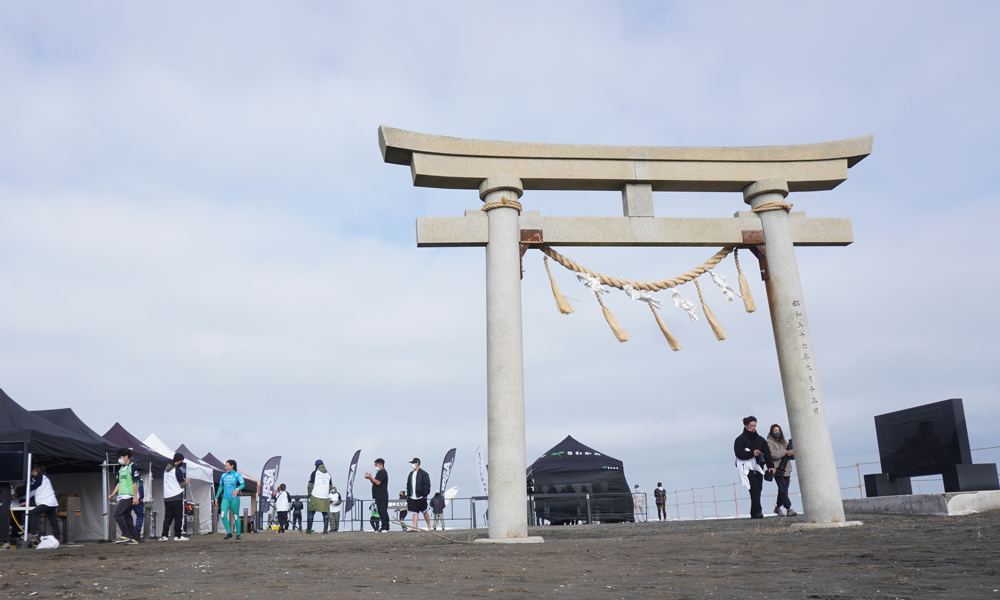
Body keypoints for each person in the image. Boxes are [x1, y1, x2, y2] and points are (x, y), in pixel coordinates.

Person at [734, 415, 774, 519]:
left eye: (754, 425)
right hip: (746, 469)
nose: (753, 427)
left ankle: (754, 512)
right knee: (754, 488)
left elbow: (767, 453)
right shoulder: (739, 440)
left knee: (758, 489)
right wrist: (752, 453)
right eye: (751, 425)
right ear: (745, 425)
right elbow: (739, 454)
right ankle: (757, 511)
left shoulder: (760, 440)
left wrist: (771, 466)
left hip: (759, 467)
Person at [108, 448, 141, 544]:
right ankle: (135, 538)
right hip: (121, 495)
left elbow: (135, 483)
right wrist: (112, 494)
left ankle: (126, 534)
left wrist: (135, 497)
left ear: (126, 457)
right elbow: (118, 483)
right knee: (127, 517)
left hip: (128, 495)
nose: (119, 459)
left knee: (117, 514)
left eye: (120, 457)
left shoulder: (133, 467)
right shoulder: (121, 469)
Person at [23, 465, 59, 542]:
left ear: (35, 471)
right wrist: (27, 501)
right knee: (53, 522)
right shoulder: (44, 477)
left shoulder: (41, 476)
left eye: (32, 473)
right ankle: (57, 539)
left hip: (46, 502)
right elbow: (36, 492)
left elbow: (35, 486)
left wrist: (24, 489)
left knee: (32, 513)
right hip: (51, 502)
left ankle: (33, 533)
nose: (31, 475)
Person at [767, 424, 797, 517]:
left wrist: (790, 453)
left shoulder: (784, 442)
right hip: (777, 469)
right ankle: (789, 508)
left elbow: (793, 453)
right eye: (775, 430)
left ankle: (778, 507)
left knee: (783, 490)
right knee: (783, 489)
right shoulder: (769, 442)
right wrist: (785, 452)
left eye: (778, 430)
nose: (777, 432)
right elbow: (773, 454)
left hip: (786, 469)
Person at [161, 452, 190, 541]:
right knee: (178, 517)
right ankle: (178, 535)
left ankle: (164, 535)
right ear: (179, 461)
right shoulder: (177, 470)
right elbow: (182, 484)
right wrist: (187, 481)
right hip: (176, 496)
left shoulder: (166, 470)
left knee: (167, 517)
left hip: (167, 496)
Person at [215, 459, 245, 540]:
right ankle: (229, 533)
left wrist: (237, 489)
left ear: (232, 466)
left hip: (235, 498)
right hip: (225, 498)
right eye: (225, 466)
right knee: (223, 515)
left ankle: (238, 534)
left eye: (227, 466)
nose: (226, 468)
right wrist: (216, 497)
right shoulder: (223, 475)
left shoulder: (237, 475)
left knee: (235, 516)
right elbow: (221, 487)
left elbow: (243, 484)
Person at [306, 459, 333, 534]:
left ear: (316, 465)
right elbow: (330, 486)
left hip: (315, 495)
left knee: (311, 511)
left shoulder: (315, 473)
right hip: (325, 496)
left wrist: (309, 493)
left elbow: (310, 484)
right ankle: (325, 530)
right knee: (325, 513)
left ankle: (309, 530)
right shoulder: (328, 474)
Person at [406, 458, 432, 531]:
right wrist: (408, 494)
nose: (412, 465)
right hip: (412, 497)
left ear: (417, 463)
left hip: (421, 497)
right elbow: (408, 485)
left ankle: (429, 526)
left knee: (424, 511)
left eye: (413, 463)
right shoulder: (411, 474)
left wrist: (425, 495)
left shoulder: (424, 474)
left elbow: (427, 485)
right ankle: (414, 527)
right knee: (414, 512)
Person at [364, 458, 389, 532]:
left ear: (381, 465)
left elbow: (378, 482)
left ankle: (385, 527)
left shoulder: (383, 472)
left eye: (376, 465)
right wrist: (370, 478)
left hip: (382, 495)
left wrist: (371, 477)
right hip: (378, 495)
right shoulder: (379, 473)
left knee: (383, 510)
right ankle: (384, 526)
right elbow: (374, 482)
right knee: (380, 511)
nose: (375, 466)